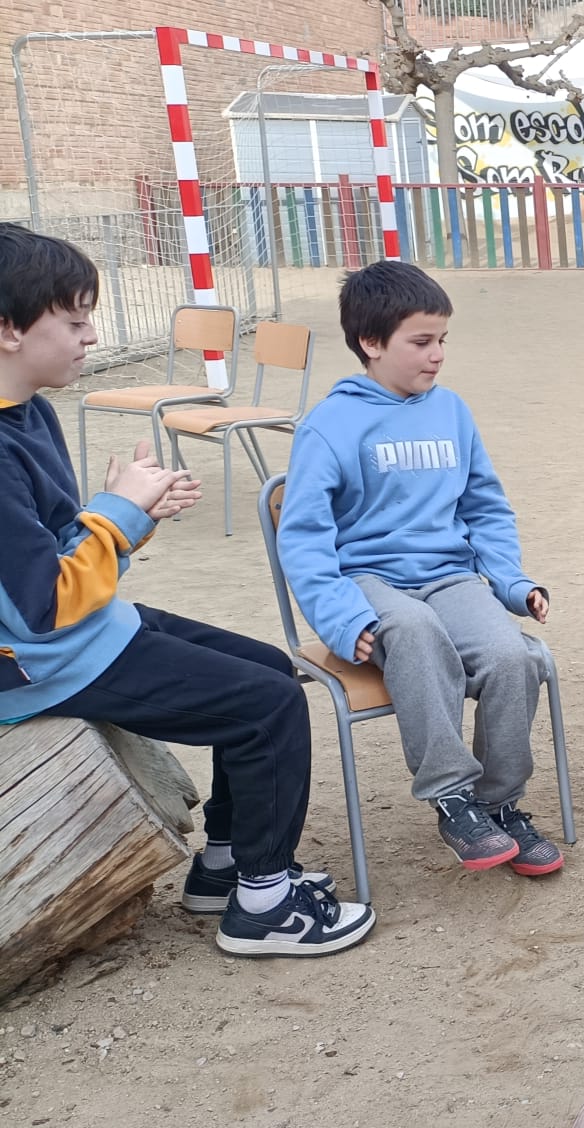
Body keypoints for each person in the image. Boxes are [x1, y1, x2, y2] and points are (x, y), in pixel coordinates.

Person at [0, 223, 373, 957]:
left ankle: (226, 866)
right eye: (73, 321)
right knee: (267, 708)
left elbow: (67, 550)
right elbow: (43, 609)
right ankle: (264, 906)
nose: (91, 336)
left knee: (270, 670)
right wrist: (118, 515)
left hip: (87, 630)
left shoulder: (31, 411)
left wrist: (126, 516)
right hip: (40, 664)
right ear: (9, 328)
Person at [280, 260, 563, 878]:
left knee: (513, 656)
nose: (437, 355)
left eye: (442, 340)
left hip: (450, 577)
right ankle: (452, 798)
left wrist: (512, 582)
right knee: (413, 629)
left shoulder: (452, 411)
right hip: (368, 582)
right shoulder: (328, 426)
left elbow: (485, 507)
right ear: (371, 342)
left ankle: (499, 804)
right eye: (421, 342)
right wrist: (341, 616)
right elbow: (303, 538)